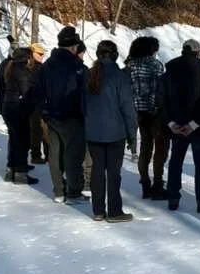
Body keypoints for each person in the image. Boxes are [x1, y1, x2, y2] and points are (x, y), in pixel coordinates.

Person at [163, 38, 200, 213]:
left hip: (177, 124)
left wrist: (171, 123)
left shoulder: (170, 70)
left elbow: (162, 99)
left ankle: (173, 196)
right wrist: (194, 124)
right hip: (199, 127)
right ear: (197, 52)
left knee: (175, 161)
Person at [84, 40, 137, 222]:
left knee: (97, 170)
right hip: (115, 132)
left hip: (93, 131)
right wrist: (132, 137)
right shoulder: (120, 77)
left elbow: (82, 105)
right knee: (113, 173)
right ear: (115, 55)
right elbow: (128, 109)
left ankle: (98, 210)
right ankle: (114, 211)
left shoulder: (89, 75)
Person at [35, 25, 88, 203]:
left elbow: (38, 92)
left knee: (55, 154)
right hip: (72, 117)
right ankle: (74, 191)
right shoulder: (77, 67)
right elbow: (84, 93)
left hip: (51, 116)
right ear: (73, 47)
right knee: (73, 155)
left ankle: (58, 191)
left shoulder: (46, 66)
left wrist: (44, 112)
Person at [125, 35, 169, 200]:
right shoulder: (155, 65)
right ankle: (158, 184)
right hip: (155, 112)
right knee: (160, 148)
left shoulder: (130, 65)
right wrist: (155, 108)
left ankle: (145, 184)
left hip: (138, 112)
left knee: (145, 147)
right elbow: (157, 89)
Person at [0, 45, 38, 185]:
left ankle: (11, 169)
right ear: (26, 59)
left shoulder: (10, 67)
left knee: (15, 140)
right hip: (18, 109)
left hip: (8, 107)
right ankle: (20, 173)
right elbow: (27, 94)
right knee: (22, 141)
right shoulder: (23, 72)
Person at [27, 42, 49, 164]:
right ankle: (36, 155)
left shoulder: (42, 67)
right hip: (35, 104)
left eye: (43, 53)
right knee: (37, 131)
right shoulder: (31, 68)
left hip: (41, 103)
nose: (42, 55)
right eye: (39, 53)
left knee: (42, 131)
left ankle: (46, 155)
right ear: (32, 53)